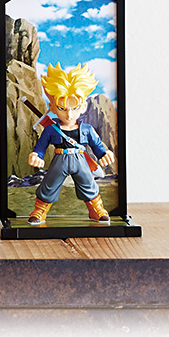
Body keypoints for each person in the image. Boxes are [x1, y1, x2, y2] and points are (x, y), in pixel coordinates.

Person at [27, 63, 115, 225]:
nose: (69, 114)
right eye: (62, 108)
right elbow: (40, 146)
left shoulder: (87, 129)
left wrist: (104, 153)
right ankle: (40, 211)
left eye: (74, 108)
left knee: (88, 184)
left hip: (80, 160)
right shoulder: (51, 129)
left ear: (83, 106)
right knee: (49, 184)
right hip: (59, 160)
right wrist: (36, 155)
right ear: (52, 107)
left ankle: (97, 210)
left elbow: (96, 144)